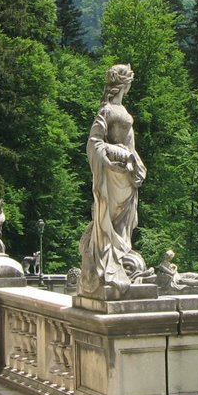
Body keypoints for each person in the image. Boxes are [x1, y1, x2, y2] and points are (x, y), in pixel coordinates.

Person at [78, 64, 149, 298]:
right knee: (111, 216)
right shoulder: (106, 110)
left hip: (126, 173)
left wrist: (132, 160)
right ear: (124, 83)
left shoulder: (119, 108)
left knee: (124, 221)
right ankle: (111, 259)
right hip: (114, 172)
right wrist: (114, 156)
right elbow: (94, 141)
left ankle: (122, 259)